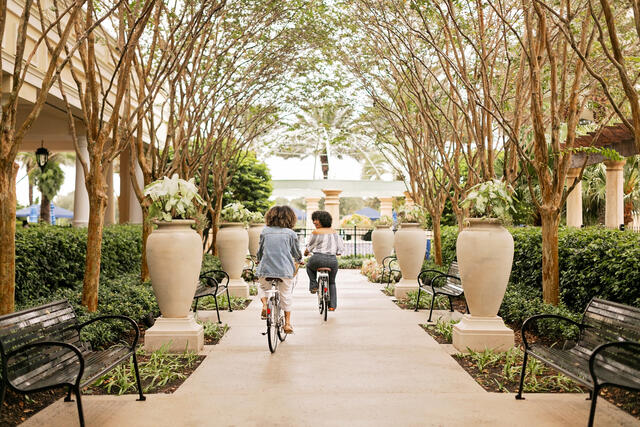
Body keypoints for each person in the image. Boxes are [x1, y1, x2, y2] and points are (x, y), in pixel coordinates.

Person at [256, 205, 302, 334]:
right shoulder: (291, 233)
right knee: (285, 295)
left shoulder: (265, 231)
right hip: (284, 271)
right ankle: (287, 324)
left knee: (263, 287)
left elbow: (260, 251)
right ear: (290, 218)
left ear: (270, 217)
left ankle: (265, 304)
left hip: (265, 269)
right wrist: (299, 259)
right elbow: (296, 252)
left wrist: (258, 259)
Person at [304, 210, 345, 311]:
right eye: (313, 220)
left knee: (309, 267)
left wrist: (305, 253)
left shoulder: (315, 232)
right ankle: (332, 306)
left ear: (322, 220)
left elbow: (309, 247)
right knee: (332, 282)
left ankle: (313, 285)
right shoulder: (335, 233)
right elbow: (341, 248)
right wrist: (338, 252)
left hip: (317, 258)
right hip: (332, 260)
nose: (314, 222)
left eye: (316, 219)